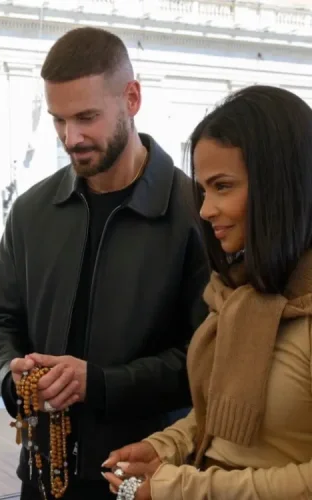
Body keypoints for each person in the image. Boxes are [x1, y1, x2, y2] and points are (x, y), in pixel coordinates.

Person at [0, 27, 209, 499]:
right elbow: (1, 323)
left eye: (87, 117)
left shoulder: (197, 214)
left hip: (145, 477)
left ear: (132, 98)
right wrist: (12, 376)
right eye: (58, 120)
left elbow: (206, 362)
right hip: (43, 475)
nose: (72, 137)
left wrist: (99, 383)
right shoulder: (30, 211)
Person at [103, 85, 312, 499]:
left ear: (281, 187)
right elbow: (218, 415)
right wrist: (167, 446)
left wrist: (183, 488)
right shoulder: (238, 294)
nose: (204, 210)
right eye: (202, 190)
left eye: (223, 187)